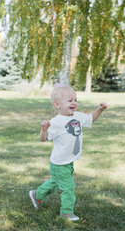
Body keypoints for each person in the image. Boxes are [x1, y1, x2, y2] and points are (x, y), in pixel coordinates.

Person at [29, 86, 107, 221]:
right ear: (57, 104)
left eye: (75, 100)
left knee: (56, 182)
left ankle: (37, 194)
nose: (74, 103)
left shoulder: (77, 116)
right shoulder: (55, 122)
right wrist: (44, 129)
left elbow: (91, 119)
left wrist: (100, 109)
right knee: (68, 187)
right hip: (59, 163)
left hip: (68, 161)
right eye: (70, 100)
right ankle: (66, 213)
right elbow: (43, 139)